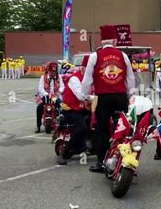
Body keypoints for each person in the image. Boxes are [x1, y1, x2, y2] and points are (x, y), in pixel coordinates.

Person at [81, 25, 135, 173]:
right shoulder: (123, 55)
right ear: (114, 40)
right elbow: (130, 79)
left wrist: (85, 97)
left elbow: (86, 81)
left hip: (102, 98)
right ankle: (124, 160)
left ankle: (101, 162)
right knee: (122, 128)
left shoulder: (95, 56)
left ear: (101, 40)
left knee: (102, 130)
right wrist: (129, 96)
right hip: (120, 97)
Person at [58, 55, 93, 165]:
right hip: (71, 109)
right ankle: (66, 152)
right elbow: (81, 96)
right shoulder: (75, 78)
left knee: (100, 121)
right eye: (88, 69)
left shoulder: (91, 79)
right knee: (81, 128)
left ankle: (92, 146)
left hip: (84, 108)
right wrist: (95, 97)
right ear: (82, 68)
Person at [35, 61, 64, 133]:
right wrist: (46, 94)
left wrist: (59, 92)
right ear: (48, 70)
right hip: (46, 96)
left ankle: (61, 124)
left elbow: (62, 86)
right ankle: (38, 126)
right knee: (39, 108)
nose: (52, 73)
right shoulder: (43, 77)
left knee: (61, 106)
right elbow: (40, 88)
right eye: (51, 71)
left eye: (54, 72)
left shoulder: (59, 77)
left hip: (55, 96)